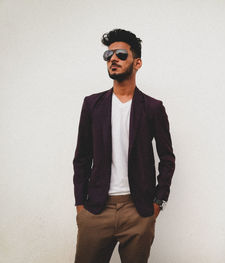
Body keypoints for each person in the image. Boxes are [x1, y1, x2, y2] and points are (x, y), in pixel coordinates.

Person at [73, 28, 175, 263]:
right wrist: (81, 207)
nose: (113, 60)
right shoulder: (92, 105)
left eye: (120, 54)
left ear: (137, 62)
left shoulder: (152, 108)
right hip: (96, 208)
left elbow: (167, 159)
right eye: (108, 56)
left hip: (137, 210)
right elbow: (81, 157)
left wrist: (157, 203)